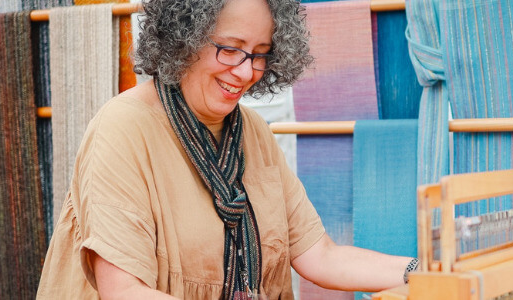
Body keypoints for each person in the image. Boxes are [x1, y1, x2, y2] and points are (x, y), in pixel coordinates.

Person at [36, 0, 414, 298]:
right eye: (230, 50)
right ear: (184, 37)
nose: (246, 72)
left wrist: (422, 273)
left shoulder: (254, 133)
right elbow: (123, 291)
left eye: (260, 53)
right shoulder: (122, 130)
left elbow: (322, 256)